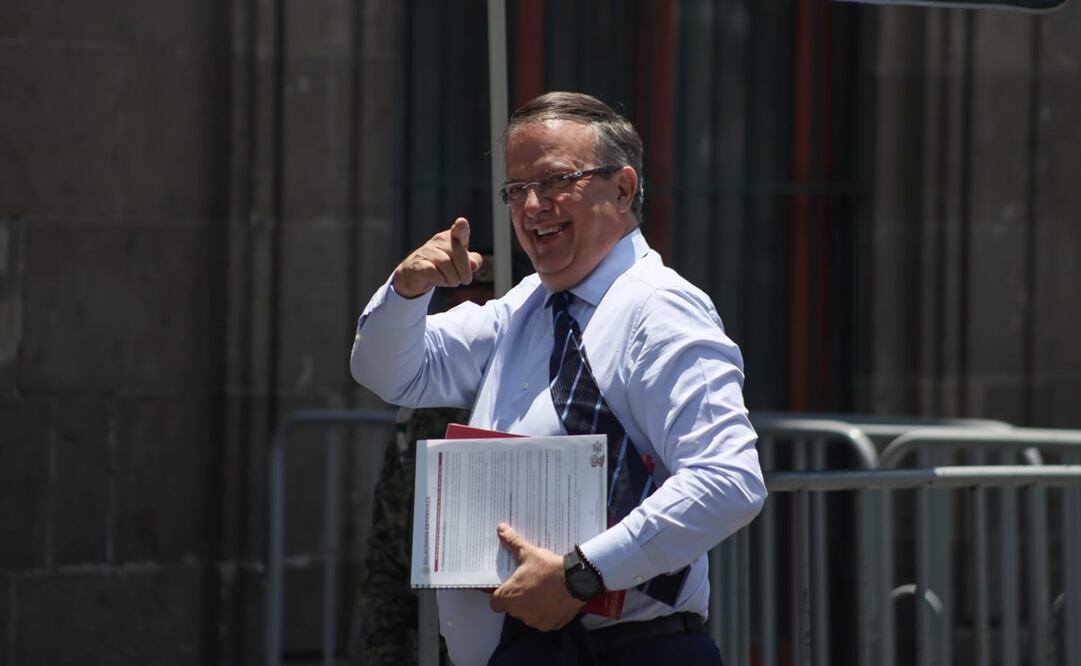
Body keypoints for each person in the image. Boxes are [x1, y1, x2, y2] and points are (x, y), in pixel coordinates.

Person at [350, 91, 766, 666]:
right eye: (516, 190)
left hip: (627, 650)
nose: (532, 206)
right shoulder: (526, 304)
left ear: (622, 189)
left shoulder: (660, 308)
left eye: (554, 182)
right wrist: (406, 290)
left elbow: (729, 481)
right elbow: (389, 373)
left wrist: (582, 574)